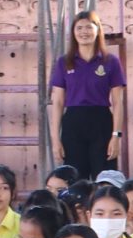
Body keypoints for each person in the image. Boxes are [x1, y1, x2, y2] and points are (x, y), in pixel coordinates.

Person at [49, 10, 126, 182]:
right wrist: (55, 139)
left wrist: (116, 136)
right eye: (79, 28)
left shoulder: (110, 61)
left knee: (105, 180)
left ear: (98, 30)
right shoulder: (64, 62)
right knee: (76, 180)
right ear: (73, 32)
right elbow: (58, 102)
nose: (84, 32)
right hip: (73, 124)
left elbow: (117, 102)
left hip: (101, 123)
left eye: (89, 27)